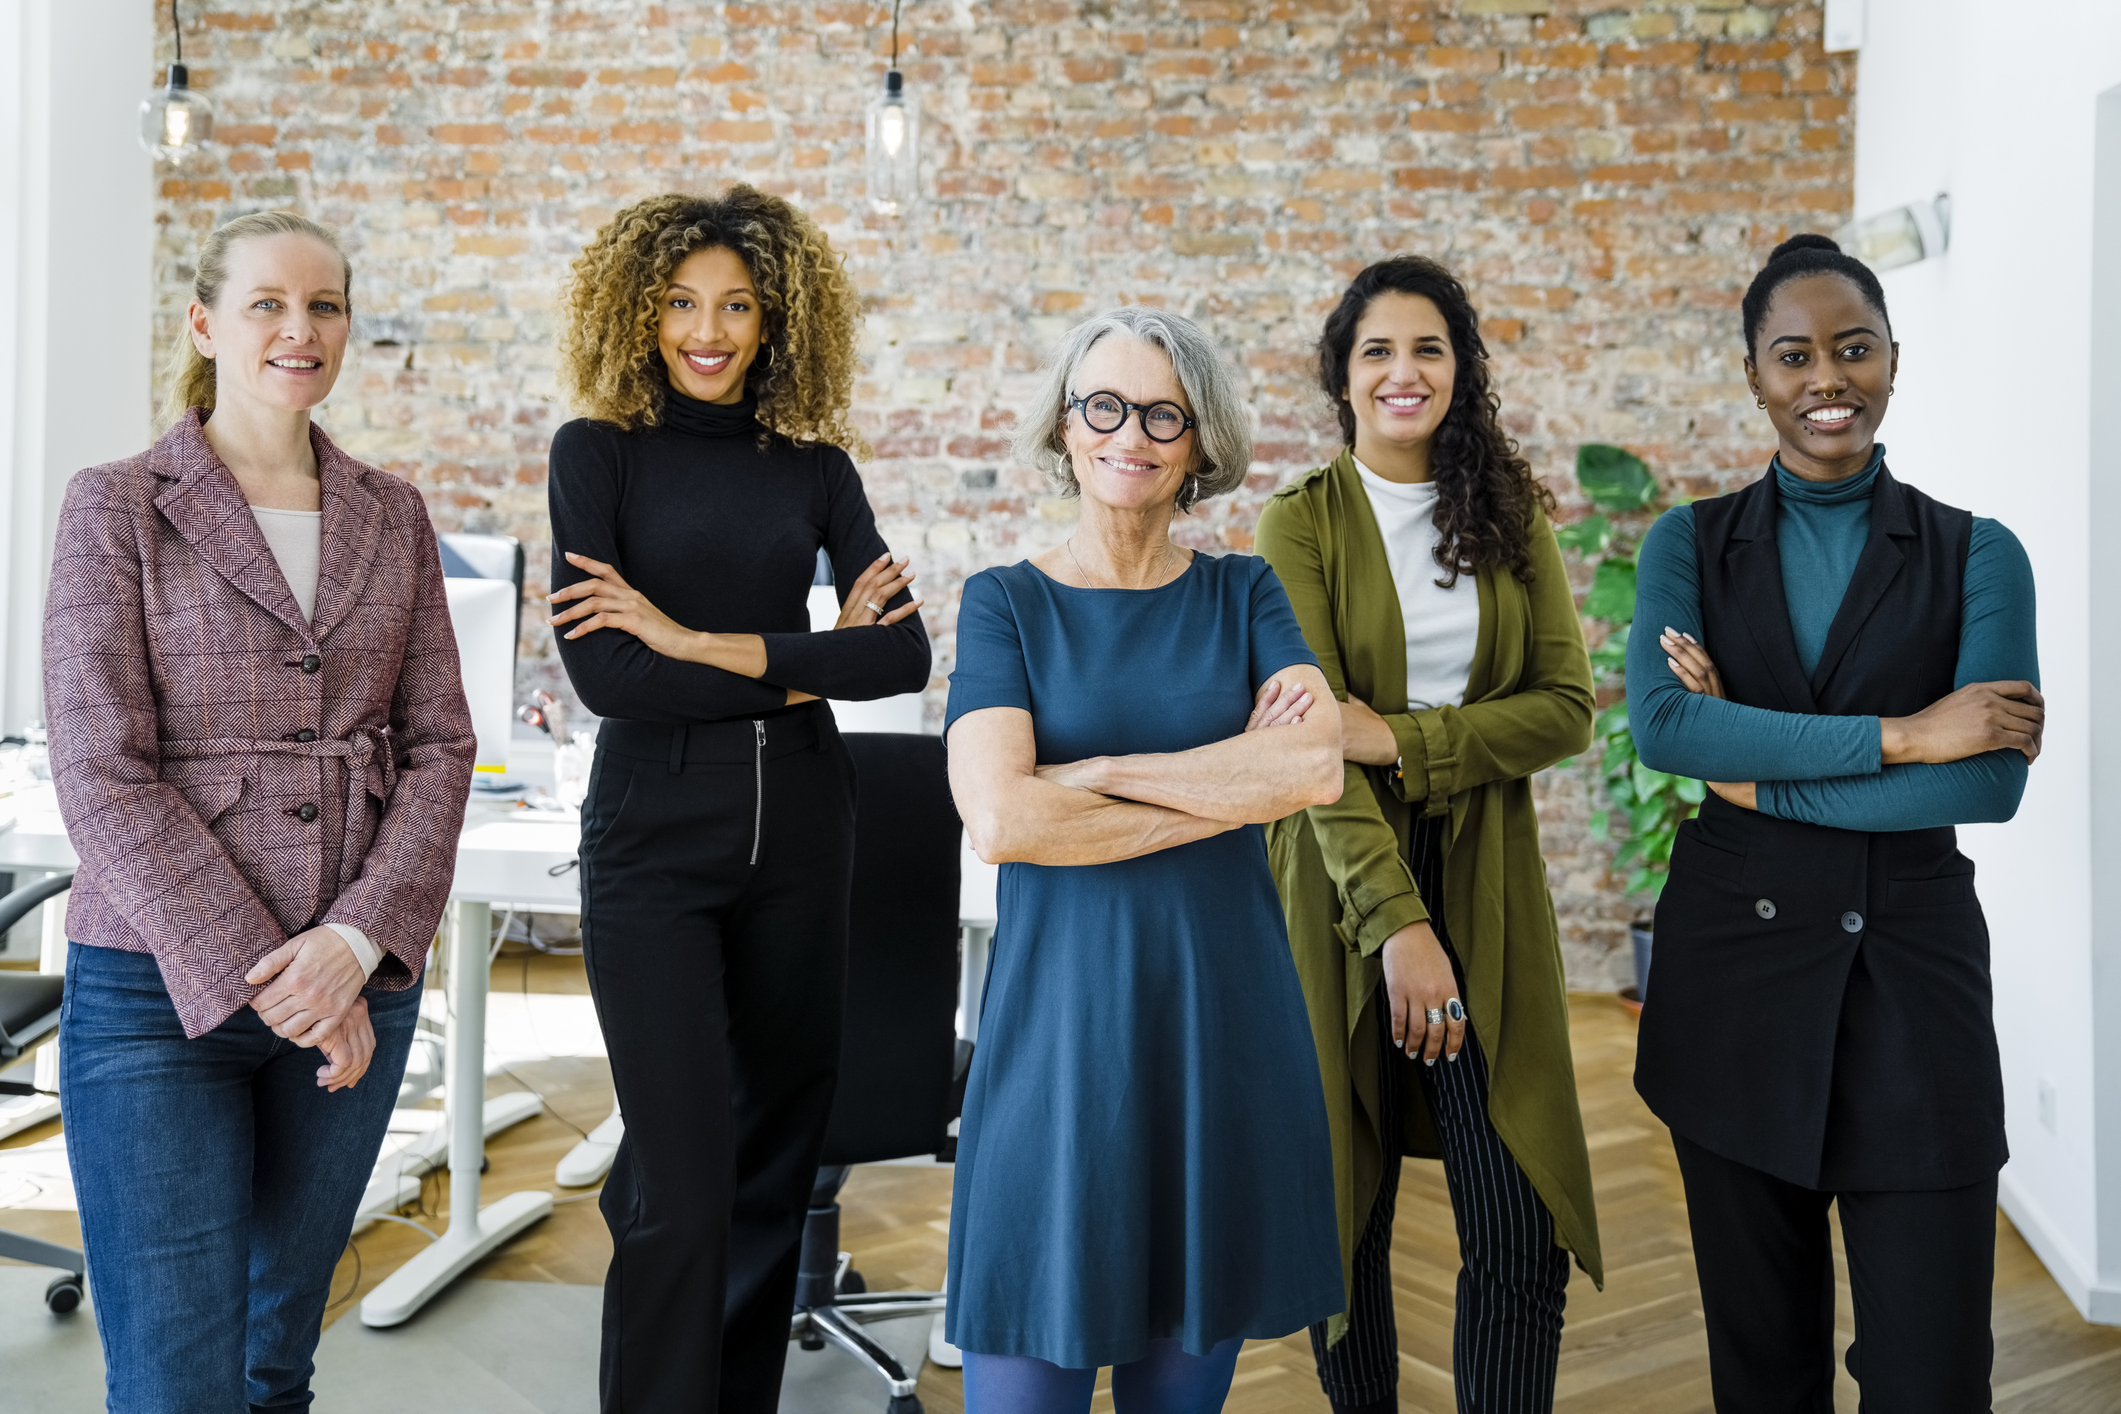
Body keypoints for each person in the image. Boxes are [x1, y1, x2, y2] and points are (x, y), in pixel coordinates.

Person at [43, 210, 475, 1410]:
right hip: (151, 995)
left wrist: (350, 949)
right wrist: (271, 978)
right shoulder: (118, 506)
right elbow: (102, 770)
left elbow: (441, 743)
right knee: (180, 1381)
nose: (301, 329)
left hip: (354, 990)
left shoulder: (392, 513)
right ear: (205, 324)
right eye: (268, 305)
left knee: (271, 1366)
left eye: (325, 305)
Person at [1630, 233, 2042, 1412]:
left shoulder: (1979, 552)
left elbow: (1990, 786)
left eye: (1853, 349)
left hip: (1914, 997)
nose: (1828, 379)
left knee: (1933, 1376)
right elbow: (1668, 730)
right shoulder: (1687, 542)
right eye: (1795, 354)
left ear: (1894, 363)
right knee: (1764, 1376)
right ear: (1755, 374)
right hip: (1734, 992)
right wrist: (1908, 735)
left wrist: (1753, 770)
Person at [545, 185, 930, 1413]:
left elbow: (905, 660)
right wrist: (802, 666)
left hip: (808, 834)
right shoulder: (593, 455)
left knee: (773, 1170)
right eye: (679, 303)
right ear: (639, 311)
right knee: (677, 1179)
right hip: (654, 838)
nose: (707, 330)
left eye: (737, 306)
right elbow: (610, 676)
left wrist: (691, 639)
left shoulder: (817, 471)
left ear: (776, 322)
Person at [942, 306, 1346, 1414]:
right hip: (1057, 1049)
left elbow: (1311, 771)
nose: (1134, 433)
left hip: (1220, 1040)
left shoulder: (1246, 592)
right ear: (1067, 428)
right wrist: (1224, 784)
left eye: (1163, 412)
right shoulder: (1004, 604)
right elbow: (1004, 819)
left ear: (1199, 441)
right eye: (1105, 406)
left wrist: (1089, 771)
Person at [1255, 255, 1602, 1414]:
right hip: (1342, 892)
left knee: (1516, 1225)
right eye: (1377, 352)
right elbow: (1310, 747)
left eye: (1429, 349)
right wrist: (1398, 922)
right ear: (1342, 378)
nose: (1404, 372)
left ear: (1462, 371)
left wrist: (1401, 739)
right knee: (1343, 1218)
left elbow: (1565, 706)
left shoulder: (1511, 515)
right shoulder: (1296, 525)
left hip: (1491, 889)